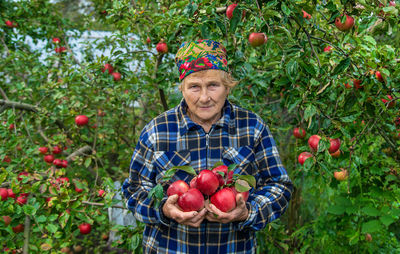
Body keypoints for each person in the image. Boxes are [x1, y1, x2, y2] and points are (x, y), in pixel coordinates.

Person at [122, 39, 292, 253]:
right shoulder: (157, 130)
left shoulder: (252, 127)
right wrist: (164, 210)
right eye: (194, 86)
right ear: (182, 88)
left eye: (213, 85)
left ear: (227, 87)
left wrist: (248, 212)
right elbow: (134, 188)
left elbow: (279, 185)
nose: (204, 97)